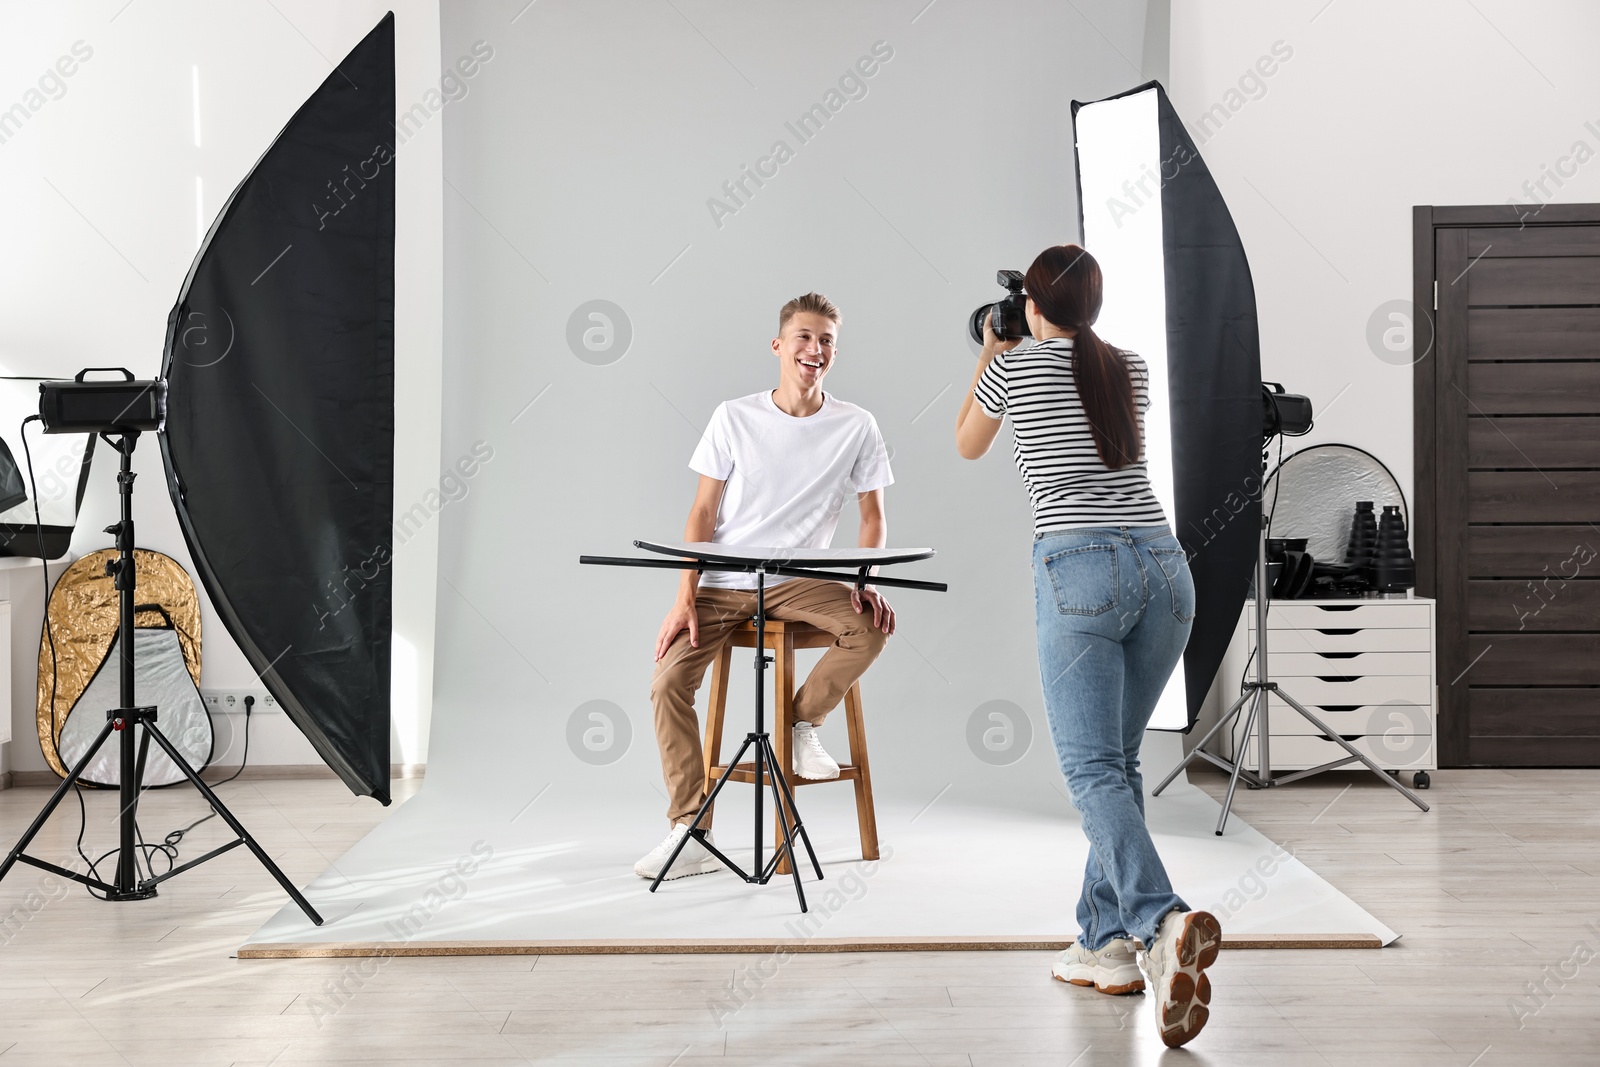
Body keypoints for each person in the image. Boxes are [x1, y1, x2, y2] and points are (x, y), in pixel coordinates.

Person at [954, 244, 1221, 1049]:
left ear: (1032, 308)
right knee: (1121, 762)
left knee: (1093, 771)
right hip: (1165, 569)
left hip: (1080, 568)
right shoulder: (1126, 367)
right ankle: (1102, 944)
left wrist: (993, 350)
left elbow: (967, 444)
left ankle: (1161, 920)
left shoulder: (1017, 366)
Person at [636, 292, 896, 881]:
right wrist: (684, 598)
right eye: (804, 337)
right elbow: (702, 514)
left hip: (800, 580)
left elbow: (873, 518)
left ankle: (800, 725)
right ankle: (690, 831)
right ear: (779, 345)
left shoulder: (856, 424)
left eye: (826, 339)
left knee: (869, 629)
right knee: (668, 682)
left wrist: (865, 579)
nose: (815, 349)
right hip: (723, 580)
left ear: (835, 351)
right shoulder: (734, 416)